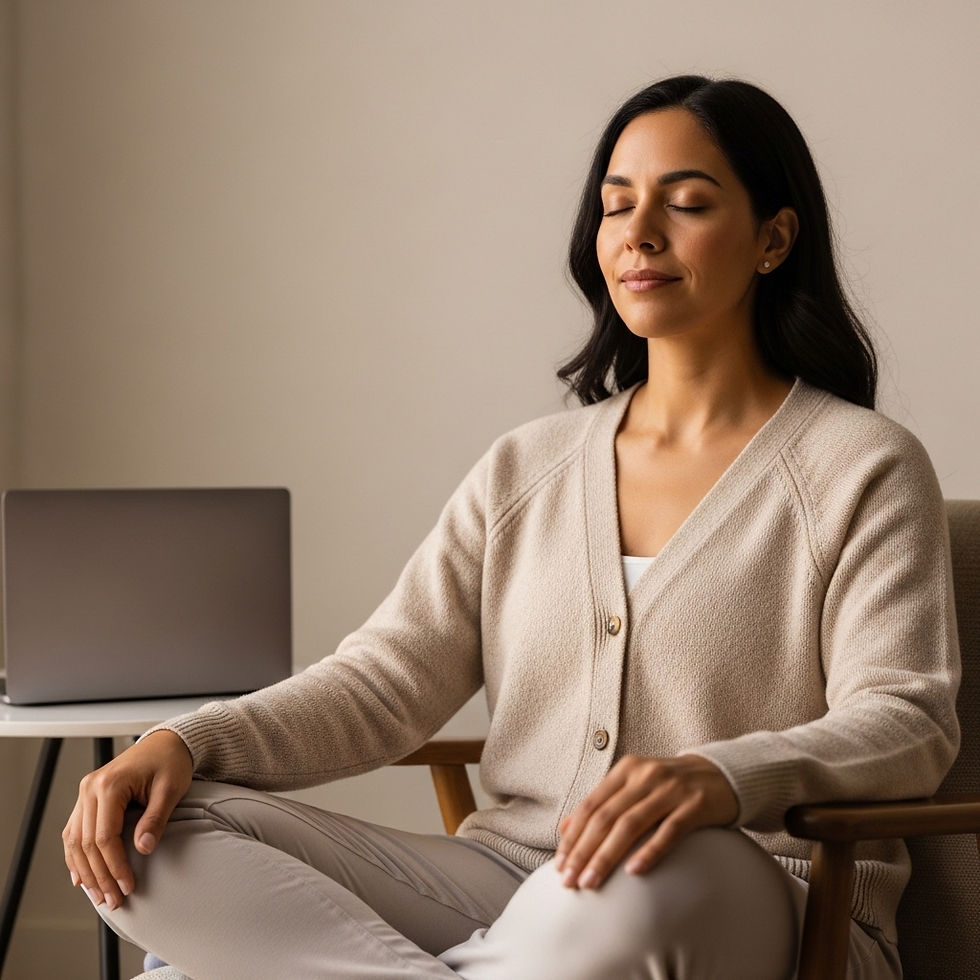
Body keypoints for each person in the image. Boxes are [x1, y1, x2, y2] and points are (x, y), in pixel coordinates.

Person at [63, 74, 960, 980]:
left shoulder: (862, 467)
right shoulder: (526, 469)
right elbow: (382, 685)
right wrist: (184, 742)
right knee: (153, 832)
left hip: (743, 886)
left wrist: (721, 781)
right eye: (617, 206)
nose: (640, 232)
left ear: (774, 238)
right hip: (503, 884)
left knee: (211, 967)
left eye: (686, 202)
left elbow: (908, 719)